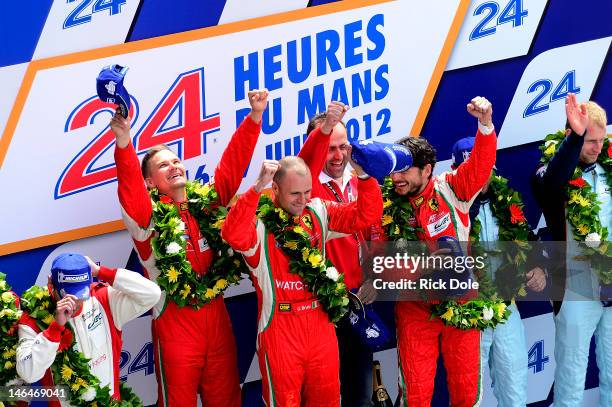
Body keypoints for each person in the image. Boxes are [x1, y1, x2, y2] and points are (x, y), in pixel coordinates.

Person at [110, 90, 268, 406]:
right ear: (151, 183)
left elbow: (231, 169)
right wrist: (125, 142)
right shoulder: (148, 220)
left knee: (226, 400)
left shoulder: (207, 205)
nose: (173, 166)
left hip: (218, 324)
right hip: (175, 329)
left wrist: (254, 118)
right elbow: (129, 188)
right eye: (163, 165)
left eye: (176, 160)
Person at [220, 109, 383, 406]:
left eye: (307, 191)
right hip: (280, 328)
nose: (303, 200)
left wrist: (365, 176)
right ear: (276, 189)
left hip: (320, 324)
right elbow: (232, 235)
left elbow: (365, 215)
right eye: (295, 194)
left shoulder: (318, 210)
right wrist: (255, 190)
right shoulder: (258, 223)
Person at [388, 96, 496, 406]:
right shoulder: (387, 203)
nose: (397, 178)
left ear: (427, 170)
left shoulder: (451, 188)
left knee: (466, 392)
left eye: (405, 171)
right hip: (414, 310)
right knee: (416, 395)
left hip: (460, 303)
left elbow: (479, 166)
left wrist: (485, 125)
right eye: (395, 170)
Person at [451, 137, 547, 406]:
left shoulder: (506, 202)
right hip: (467, 313)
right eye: (475, 170)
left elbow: (528, 241)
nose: (482, 178)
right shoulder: (447, 206)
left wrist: (538, 268)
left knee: (515, 384)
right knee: (470, 393)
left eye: (487, 170)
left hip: (505, 306)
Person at [531, 93, 610, 406]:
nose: (597, 148)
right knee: (571, 376)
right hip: (576, 287)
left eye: (601, 140)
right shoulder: (548, 176)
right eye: (590, 140)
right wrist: (576, 138)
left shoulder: (609, 167)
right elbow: (552, 180)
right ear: (571, 135)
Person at [298, 102, 378, 407]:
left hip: (362, 300)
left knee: (361, 395)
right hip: (323, 309)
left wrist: (374, 278)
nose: (338, 155)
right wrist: (327, 126)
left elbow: (374, 232)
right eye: (330, 147)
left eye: (343, 146)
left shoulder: (361, 180)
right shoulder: (304, 190)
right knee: (324, 396)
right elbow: (307, 160)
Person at [16, 253, 161, 406]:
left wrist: (101, 271)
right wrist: (55, 329)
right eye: (68, 295)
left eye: (81, 294)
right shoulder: (34, 318)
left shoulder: (105, 299)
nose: (76, 302)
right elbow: (28, 373)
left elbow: (152, 294)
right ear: (51, 284)